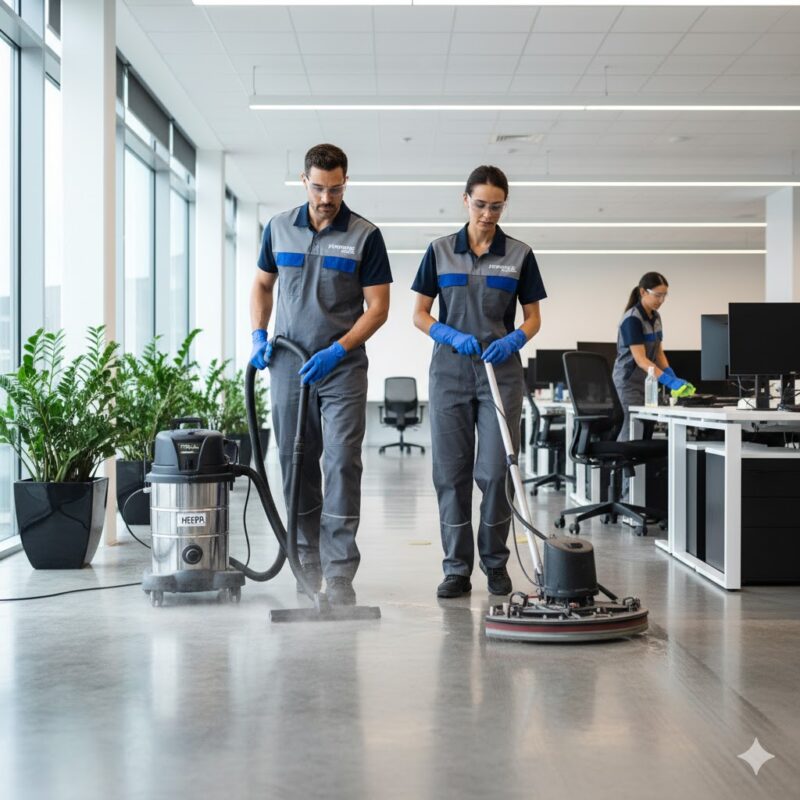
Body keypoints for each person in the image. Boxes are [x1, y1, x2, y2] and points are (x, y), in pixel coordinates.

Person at [249, 143, 392, 606]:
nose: (326, 197)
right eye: (318, 188)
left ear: (345, 182)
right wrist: (257, 334)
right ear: (303, 180)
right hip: (288, 364)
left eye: (335, 188)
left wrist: (339, 348)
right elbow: (262, 284)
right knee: (297, 464)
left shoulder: (365, 235)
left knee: (342, 463)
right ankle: (305, 559)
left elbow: (379, 308)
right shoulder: (277, 228)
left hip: (341, 367)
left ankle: (339, 570)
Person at [411, 165, 546, 599]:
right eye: (481, 204)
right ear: (465, 199)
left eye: (497, 206)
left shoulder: (520, 254)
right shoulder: (439, 251)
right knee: (450, 475)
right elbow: (419, 314)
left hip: (499, 373)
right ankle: (455, 568)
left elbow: (534, 319)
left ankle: (495, 563)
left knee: (495, 472)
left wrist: (513, 340)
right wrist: (446, 333)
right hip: (449, 372)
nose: (488, 214)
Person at [612, 271, 691, 441]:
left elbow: (659, 352)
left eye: (664, 296)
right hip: (628, 386)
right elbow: (641, 360)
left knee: (646, 433)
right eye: (657, 295)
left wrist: (673, 377)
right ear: (643, 292)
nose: (661, 300)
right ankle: (618, 468)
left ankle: (636, 468)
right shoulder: (632, 319)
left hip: (647, 384)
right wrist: (669, 382)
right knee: (630, 436)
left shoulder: (656, 317)